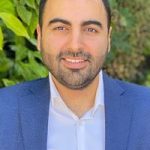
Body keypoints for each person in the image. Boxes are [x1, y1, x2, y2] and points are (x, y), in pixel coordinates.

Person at [0, 0, 150, 150]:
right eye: (60, 28)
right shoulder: (4, 110)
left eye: (90, 29)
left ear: (108, 38)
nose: (75, 46)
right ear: (39, 37)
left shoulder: (146, 110)